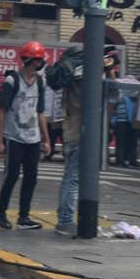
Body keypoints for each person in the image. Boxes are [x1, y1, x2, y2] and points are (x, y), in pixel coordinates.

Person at [0, 41, 50, 230]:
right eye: (40, 60)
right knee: (12, 175)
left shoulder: (40, 82)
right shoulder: (12, 81)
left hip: (33, 138)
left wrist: (46, 138)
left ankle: (23, 217)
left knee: (31, 177)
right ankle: (1, 213)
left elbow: (40, 111)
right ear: (32, 61)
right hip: (14, 136)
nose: (41, 63)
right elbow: (1, 110)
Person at [55, 76, 82, 237]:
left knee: (69, 178)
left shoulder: (70, 84)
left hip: (70, 134)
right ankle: (65, 220)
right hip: (79, 136)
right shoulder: (82, 86)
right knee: (73, 180)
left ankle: (63, 218)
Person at [43, 83, 64, 161]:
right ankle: (49, 154)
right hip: (50, 114)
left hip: (60, 113)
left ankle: (66, 154)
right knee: (51, 134)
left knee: (61, 134)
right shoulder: (47, 83)